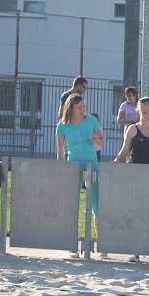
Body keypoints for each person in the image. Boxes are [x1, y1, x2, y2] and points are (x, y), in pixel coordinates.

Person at [113, 96, 149, 263]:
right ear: (138, 111)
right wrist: (115, 164)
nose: (147, 115)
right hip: (136, 177)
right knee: (137, 214)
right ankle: (136, 250)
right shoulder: (132, 130)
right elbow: (124, 152)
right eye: (144, 112)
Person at [55, 93, 102, 259]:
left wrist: (95, 138)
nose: (83, 109)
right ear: (71, 109)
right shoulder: (62, 126)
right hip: (73, 165)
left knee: (97, 205)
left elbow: (100, 142)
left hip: (92, 163)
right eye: (79, 107)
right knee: (72, 206)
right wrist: (61, 169)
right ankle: (72, 246)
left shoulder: (91, 120)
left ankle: (101, 245)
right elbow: (59, 152)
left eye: (84, 106)